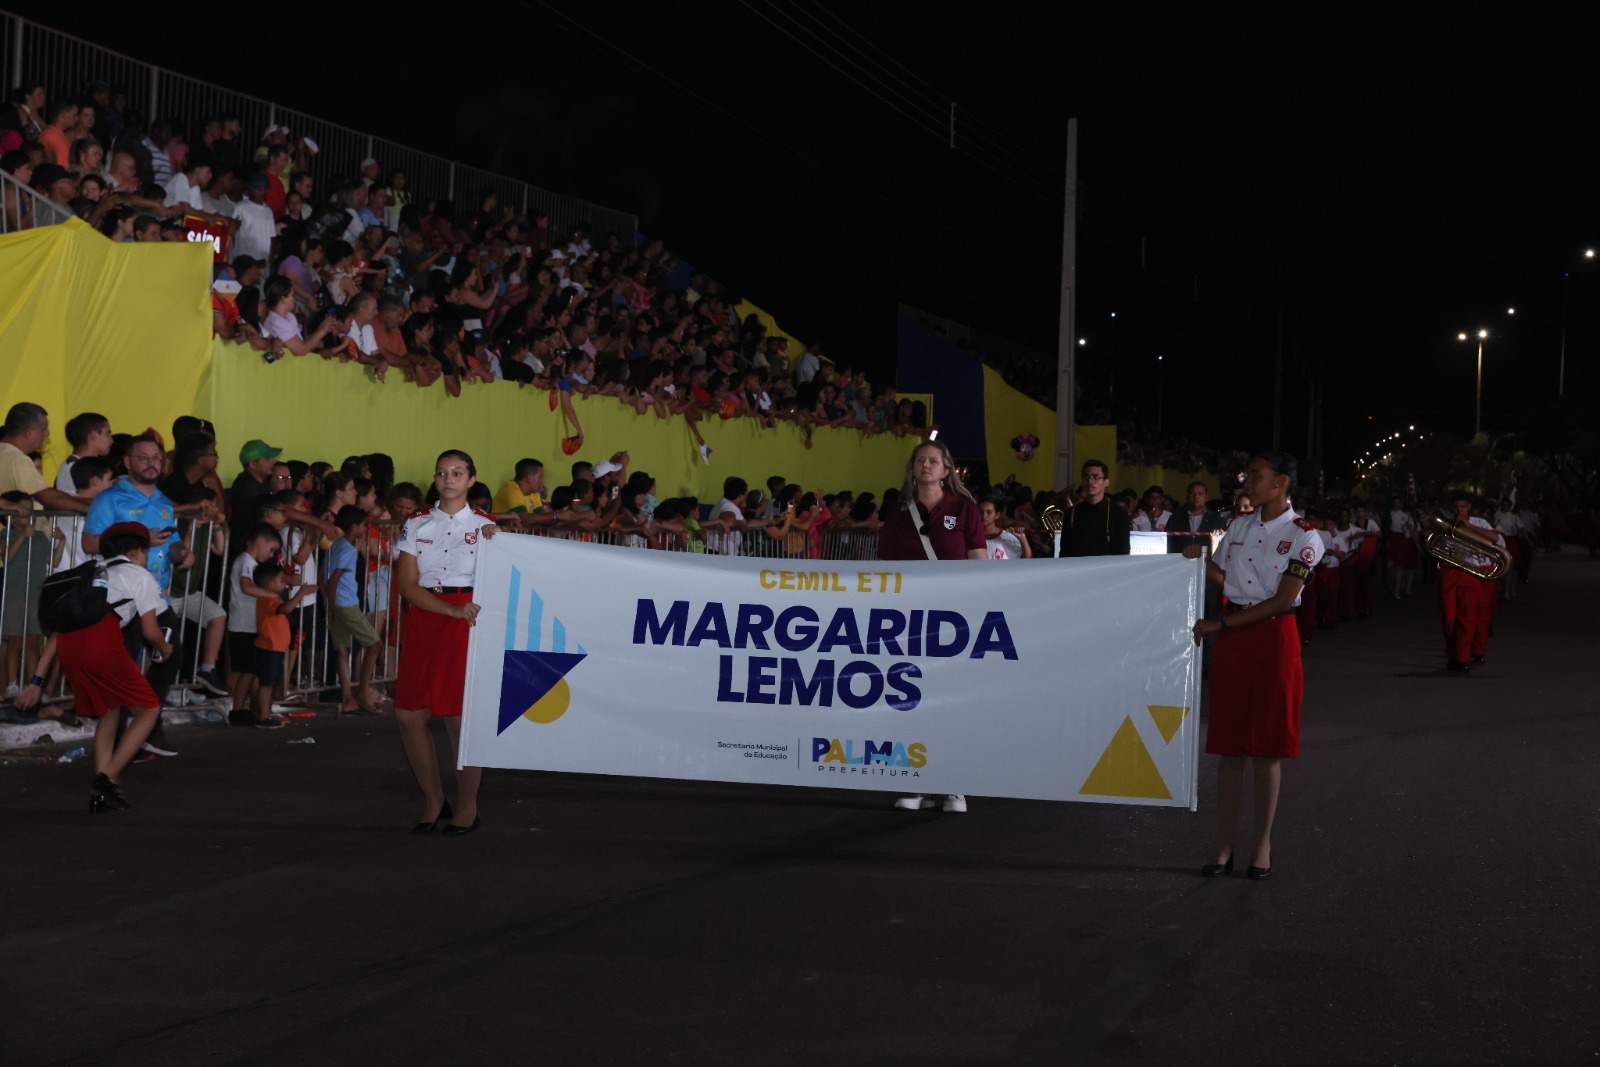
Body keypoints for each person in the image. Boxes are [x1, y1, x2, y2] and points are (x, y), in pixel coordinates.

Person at [1188, 451, 1322, 880]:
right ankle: (1223, 844)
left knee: (1266, 750)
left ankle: (1261, 844)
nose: (1248, 481)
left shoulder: (1305, 536)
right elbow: (1230, 581)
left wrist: (1219, 623)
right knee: (1229, 748)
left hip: (1273, 638)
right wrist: (1201, 561)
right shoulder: (1239, 526)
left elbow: (1283, 600)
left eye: (1258, 476)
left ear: (1281, 483)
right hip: (1234, 638)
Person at [876, 439, 986, 813]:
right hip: (908, 620)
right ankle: (914, 781)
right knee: (911, 699)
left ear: (946, 470)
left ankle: (953, 784)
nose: (926, 466)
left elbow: (978, 564)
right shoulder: (898, 513)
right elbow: (884, 569)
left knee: (952, 699)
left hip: (954, 620)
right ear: (913, 468)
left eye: (933, 461)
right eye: (920, 460)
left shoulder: (965, 509)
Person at [393, 450, 498, 835]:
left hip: (468, 618)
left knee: (459, 717)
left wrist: (460, 612)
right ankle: (434, 799)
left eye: (457, 473)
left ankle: (468, 805)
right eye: (442, 472)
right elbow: (406, 585)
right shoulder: (415, 524)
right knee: (408, 714)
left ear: (471, 480)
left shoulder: (489, 526)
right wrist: (447, 611)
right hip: (427, 615)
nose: (449, 479)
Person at [57, 522, 173, 813]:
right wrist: (165, 648)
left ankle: (105, 790)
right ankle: (106, 779)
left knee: (110, 711)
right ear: (136, 552)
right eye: (147, 552)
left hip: (69, 645)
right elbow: (151, 631)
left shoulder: (93, 570)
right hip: (102, 640)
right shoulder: (138, 574)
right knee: (148, 709)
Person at [1059, 459, 1130, 557]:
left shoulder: (1118, 513)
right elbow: (1065, 551)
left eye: (1096, 477)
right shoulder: (1072, 513)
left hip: (1107, 569)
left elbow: (1123, 551)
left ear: (1106, 482)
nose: (1090, 481)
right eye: (1086, 477)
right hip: (1078, 568)